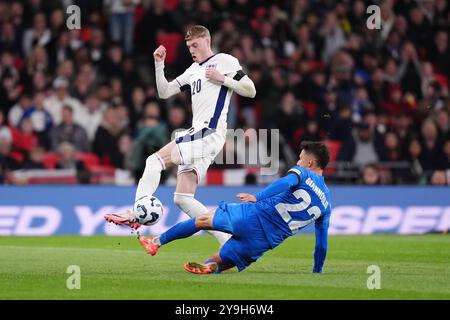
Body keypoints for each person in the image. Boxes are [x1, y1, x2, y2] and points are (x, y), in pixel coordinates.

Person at [105, 25, 256, 246]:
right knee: (183, 198)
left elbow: (250, 90)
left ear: (207, 40)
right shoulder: (193, 70)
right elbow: (164, 92)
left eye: (195, 44)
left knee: (153, 161)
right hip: (204, 137)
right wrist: (159, 64)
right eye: (188, 46)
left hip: (208, 132)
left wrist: (223, 79)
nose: (192, 50)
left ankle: (136, 213)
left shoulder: (225, 61)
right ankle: (229, 244)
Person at [135, 141, 331, 275]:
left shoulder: (303, 173)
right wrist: (317, 270)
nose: (298, 161)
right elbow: (321, 243)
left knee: (203, 220)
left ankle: (157, 242)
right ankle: (212, 265)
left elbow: (285, 183)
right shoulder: (326, 204)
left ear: (310, 162)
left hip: (253, 215)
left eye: (300, 158)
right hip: (265, 241)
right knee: (218, 261)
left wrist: (258, 196)